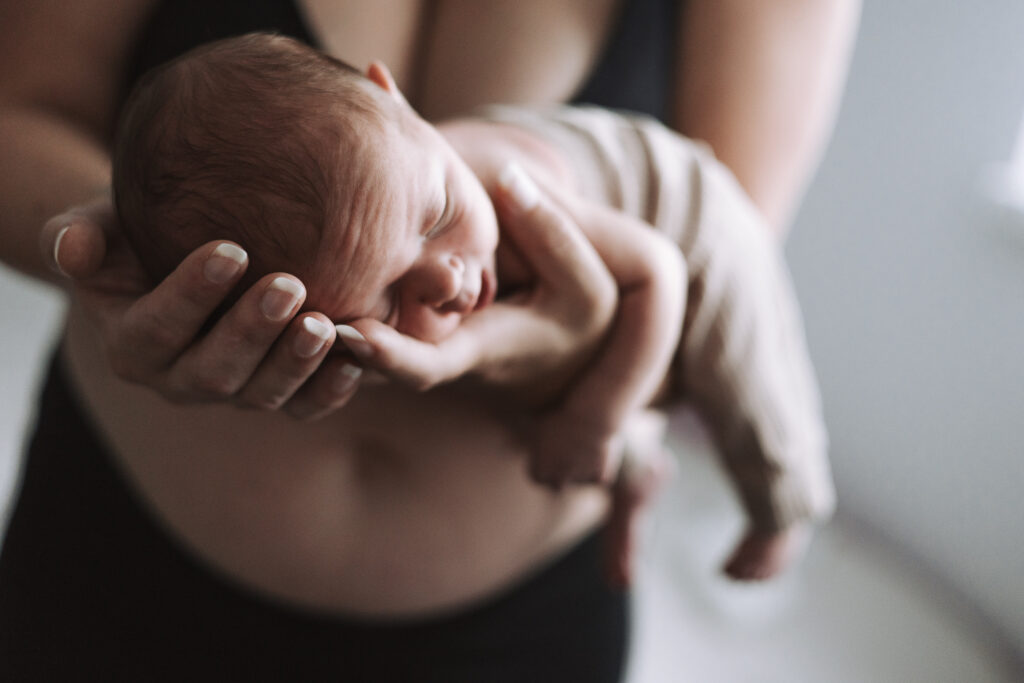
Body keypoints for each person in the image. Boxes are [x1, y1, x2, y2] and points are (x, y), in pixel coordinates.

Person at [0, 1, 861, 680]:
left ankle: (786, 500)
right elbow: (17, 114)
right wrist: (127, 257)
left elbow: (701, 294)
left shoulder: (524, 185)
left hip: (518, 619)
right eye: (382, 297)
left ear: (390, 96)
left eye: (442, 211)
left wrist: (588, 408)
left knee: (755, 399)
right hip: (120, 554)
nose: (449, 279)